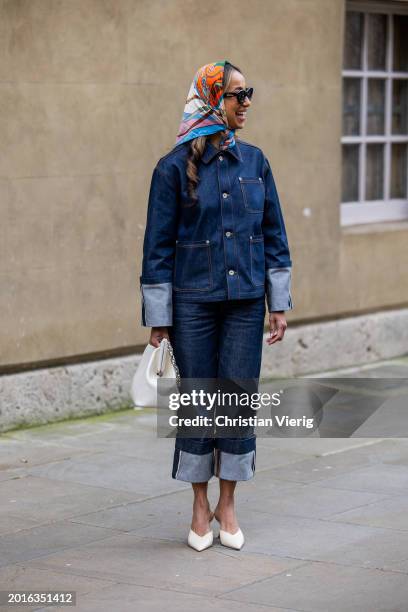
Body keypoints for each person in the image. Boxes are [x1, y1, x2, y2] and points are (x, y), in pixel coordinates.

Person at [140, 60, 293, 551]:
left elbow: (274, 235)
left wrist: (279, 303)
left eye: (250, 93)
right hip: (192, 307)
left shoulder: (256, 162)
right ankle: (198, 505)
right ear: (211, 99)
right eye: (237, 94)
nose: (246, 103)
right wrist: (159, 319)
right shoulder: (171, 168)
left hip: (246, 303)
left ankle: (228, 503)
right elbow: (157, 248)